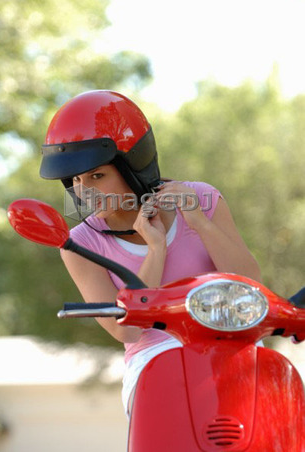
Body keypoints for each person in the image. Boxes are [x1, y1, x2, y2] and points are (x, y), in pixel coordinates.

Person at [40, 90, 261, 418]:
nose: (84, 192)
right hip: (156, 359)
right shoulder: (80, 243)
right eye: (76, 180)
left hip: (229, 344)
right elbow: (126, 330)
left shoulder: (200, 197)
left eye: (97, 176)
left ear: (133, 165)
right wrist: (155, 250)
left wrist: (198, 221)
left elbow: (251, 283)